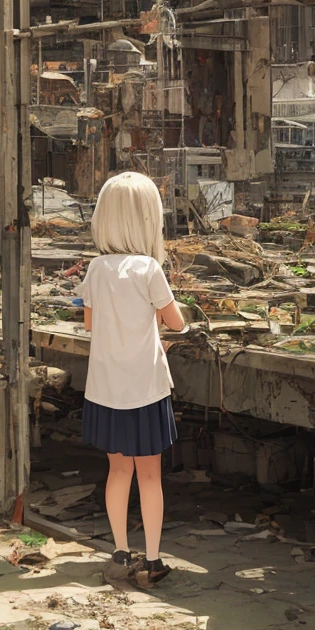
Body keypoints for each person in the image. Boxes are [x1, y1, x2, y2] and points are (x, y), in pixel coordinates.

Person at [79, 171, 184, 585]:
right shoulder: (149, 268)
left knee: (117, 472)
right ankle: (153, 563)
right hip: (145, 388)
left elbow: (90, 324)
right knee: (150, 475)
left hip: (105, 389)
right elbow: (175, 323)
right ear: (148, 218)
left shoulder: (95, 268)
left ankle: (120, 554)